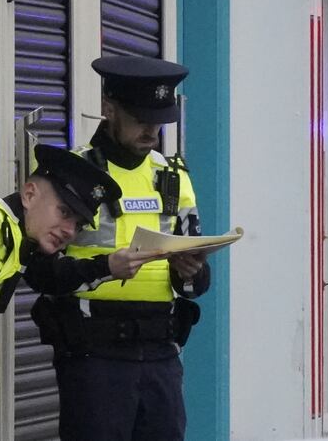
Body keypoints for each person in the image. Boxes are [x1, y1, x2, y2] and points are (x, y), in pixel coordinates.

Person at [24, 55, 211, 440]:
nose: (152, 130)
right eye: (141, 118)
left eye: (159, 120)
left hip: (161, 350)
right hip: (95, 353)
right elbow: (41, 270)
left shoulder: (172, 175)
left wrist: (190, 272)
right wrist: (107, 265)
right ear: (109, 109)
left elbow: (197, 282)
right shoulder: (70, 172)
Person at [0, 144, 161, 441]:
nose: (69, 230)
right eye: (63, 211)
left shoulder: (16, 239)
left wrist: (108, 266)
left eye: (77, 224)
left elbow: (50, 275)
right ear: (29, 195)